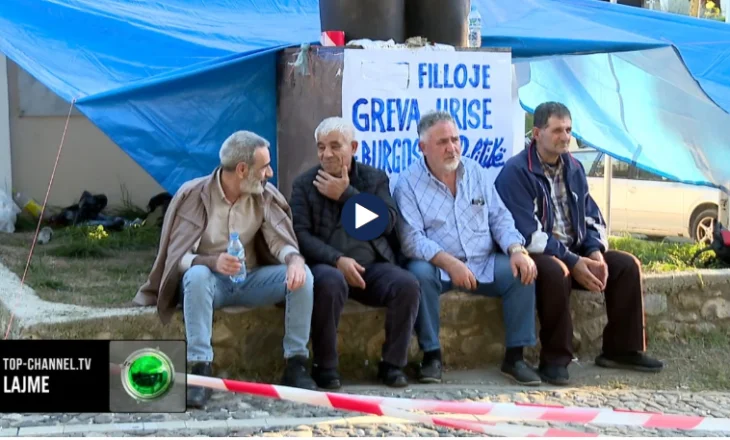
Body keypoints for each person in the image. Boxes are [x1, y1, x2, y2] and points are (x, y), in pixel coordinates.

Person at [133, 130, 317, 408]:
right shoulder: (194, 195)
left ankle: (296, 364)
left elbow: (281, 242)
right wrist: (211, 261)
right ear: (242, 169)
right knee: (196, 275)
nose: (269, 173)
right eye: (264, 166)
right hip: (209, 286)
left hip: (252, 280)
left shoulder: (264, 196)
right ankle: (200, 371)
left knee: (303, 277)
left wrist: (293, 260)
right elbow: (178, 258)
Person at [495, 101, 664, 386]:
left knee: (626, 265)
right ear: (536, 133)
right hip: (539, 253)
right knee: (554, 272)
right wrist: (573, 262)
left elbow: (592, 215)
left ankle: (622, 349)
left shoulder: (573, 167)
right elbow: (528, 234)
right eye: (557, 130)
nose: (565, 137)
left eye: (569, 130)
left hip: (576, 251)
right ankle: (555, 360)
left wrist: (595, 251)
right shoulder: (516, 172)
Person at [394, 110, 541, 386]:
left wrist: (516, 248)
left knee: (521, 271)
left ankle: (515, 357)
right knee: (418, 274)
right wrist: (450, 263)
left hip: (482, 261)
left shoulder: (475, 171)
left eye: (456, 139)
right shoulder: (407, 183)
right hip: (439, 267)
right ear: (422, 147)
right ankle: (432, 356)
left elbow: (499, 217)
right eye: (442, 142)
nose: (452, 148)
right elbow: (411, 239)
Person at [290, 117, 421, 389]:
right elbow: (301, 236)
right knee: (330, 283)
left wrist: (347, 195)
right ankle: (325, 367)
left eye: (335, 146)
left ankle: (392, 365)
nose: (326, 154)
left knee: (407, 284)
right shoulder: (304, 184)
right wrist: (337, 260)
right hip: (328, 266)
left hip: (372, 266)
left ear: (353, 147)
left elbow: (386, 223)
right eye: (321, 147)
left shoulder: (373, 179)